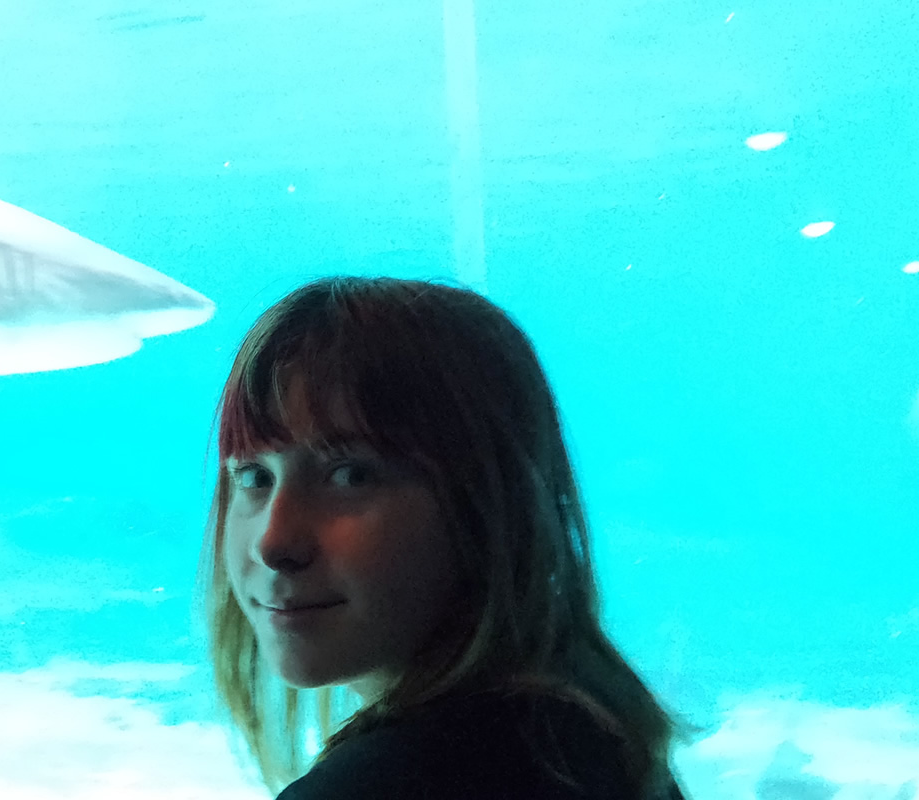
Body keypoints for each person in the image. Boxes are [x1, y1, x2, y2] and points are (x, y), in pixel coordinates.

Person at [201, 277, 695, 799]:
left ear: (489, 502)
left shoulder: (385, 786)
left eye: (351, 475)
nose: (274, 543)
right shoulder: (588, 734)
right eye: (254, 477)